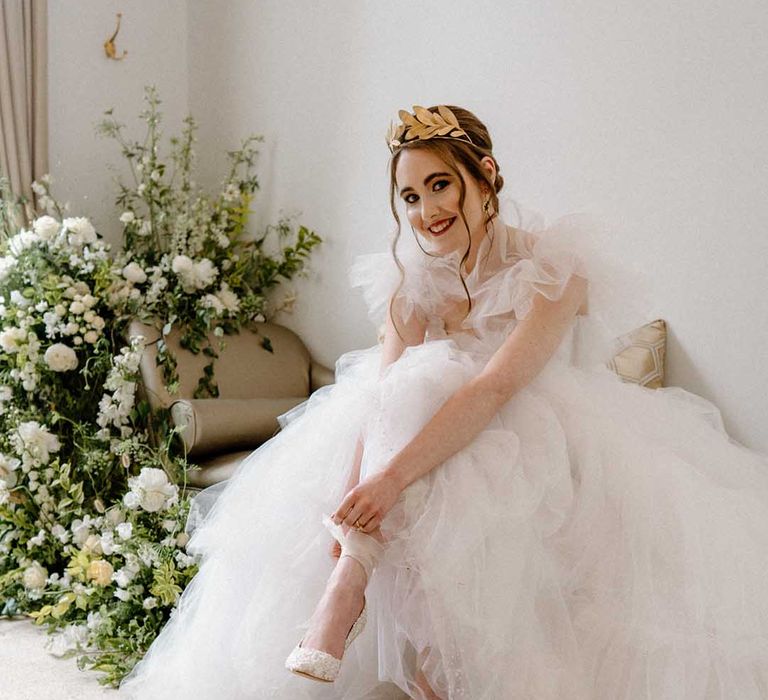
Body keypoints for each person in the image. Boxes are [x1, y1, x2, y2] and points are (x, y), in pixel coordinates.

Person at [118, 105, 768, 700]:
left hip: (543, 448)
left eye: (439, 184)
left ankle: (362, 605)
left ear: (483, 174)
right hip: (437, 455)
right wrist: (351, 509)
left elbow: (494, 389)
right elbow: (376, 404)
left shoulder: (555, 266)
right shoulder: (415, 284)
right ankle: (389, 621)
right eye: (409, 194)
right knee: (403, 390)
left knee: (429, 390)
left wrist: (387, 482)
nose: (425, 208)